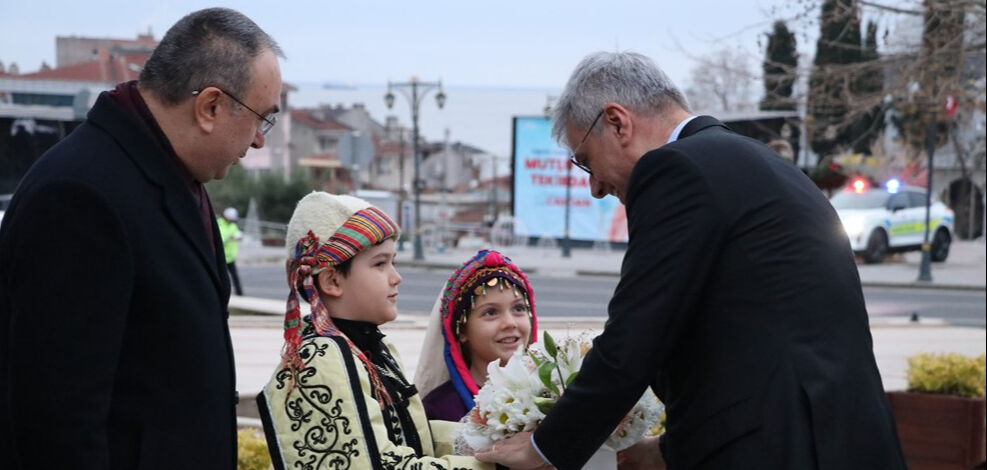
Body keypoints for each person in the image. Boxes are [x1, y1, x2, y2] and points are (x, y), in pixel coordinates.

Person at [476, 51, 906, 470]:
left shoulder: (675, 170)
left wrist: (544, 447)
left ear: (616, 122)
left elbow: (637, 333)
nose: (596, 187)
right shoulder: (761, 164)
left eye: (586, 162)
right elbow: (750, 343)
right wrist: (670, 449)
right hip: (841, 437)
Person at [0, 8, 282, 469]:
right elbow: (57, 424)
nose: (258, 143)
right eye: (260, 119)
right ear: (209, 107)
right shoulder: (80, 195)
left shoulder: (167, 173)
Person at [257, 192, 495, 470]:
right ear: (333, 280)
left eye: (393, 262)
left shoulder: (368, 348)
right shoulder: (318, 359)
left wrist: (494, 440)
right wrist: (495, 466)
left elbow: (407, 438)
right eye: (380, 264)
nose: (396, 277)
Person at [414, 249, 539, 421]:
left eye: (518, 308)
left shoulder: (551, 396)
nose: (510, 323)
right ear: (462, 331)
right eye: (491, 313)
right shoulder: (439, 411)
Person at [218, 206, 245, 295]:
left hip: (230, 257)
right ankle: (221, 294)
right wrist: (230, 237)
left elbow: (237, 234)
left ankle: (239, 293)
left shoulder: (233, 226)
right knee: (222, 278)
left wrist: (239, 237)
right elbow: (220, 239)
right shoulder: (219, 224)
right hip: (221, 257)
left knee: (235, 277)